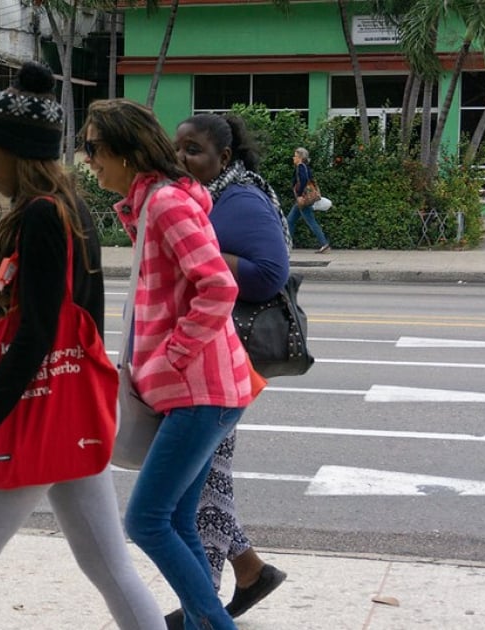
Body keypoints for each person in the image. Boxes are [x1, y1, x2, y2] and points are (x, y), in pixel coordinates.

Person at [0, 62, 164, 630]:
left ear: (19, 154)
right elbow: (21, 330)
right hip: (71, 407)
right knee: (109, 565)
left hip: (37, 411)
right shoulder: (71, 211)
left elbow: (32, 337)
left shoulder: (42, 219)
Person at [81, 98, 253, 630]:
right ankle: (209, 623)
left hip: (200, 390)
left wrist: (173, 357)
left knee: (146, 520)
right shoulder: (152, 203)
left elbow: (219, 285)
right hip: (205, 390)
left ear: (126, 151)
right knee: (177, 517)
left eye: (93, 149)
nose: (88, 161)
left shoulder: (165, 203)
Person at [168, 113, 290, 629]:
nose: (182, 159)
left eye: (193, 150)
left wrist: (206, 258)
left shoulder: (240, 198)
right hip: (209, 357)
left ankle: (205, 606)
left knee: (205, 480)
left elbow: (271, 270)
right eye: (177, 148)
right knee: (207, 477)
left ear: (224, 157)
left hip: (225, 360)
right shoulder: (206, 195)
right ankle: (249, 571)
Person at [286, 147, 330, 254]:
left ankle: (324, 244)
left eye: (295, 156)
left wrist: (300, 195)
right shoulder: (304, 167)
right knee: (290, 220)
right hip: (302, 200)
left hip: (303, 199)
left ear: (300, 157)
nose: (293, 158)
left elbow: (304, 180)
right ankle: (287, 245)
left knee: (309, 221)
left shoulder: (301, 167)